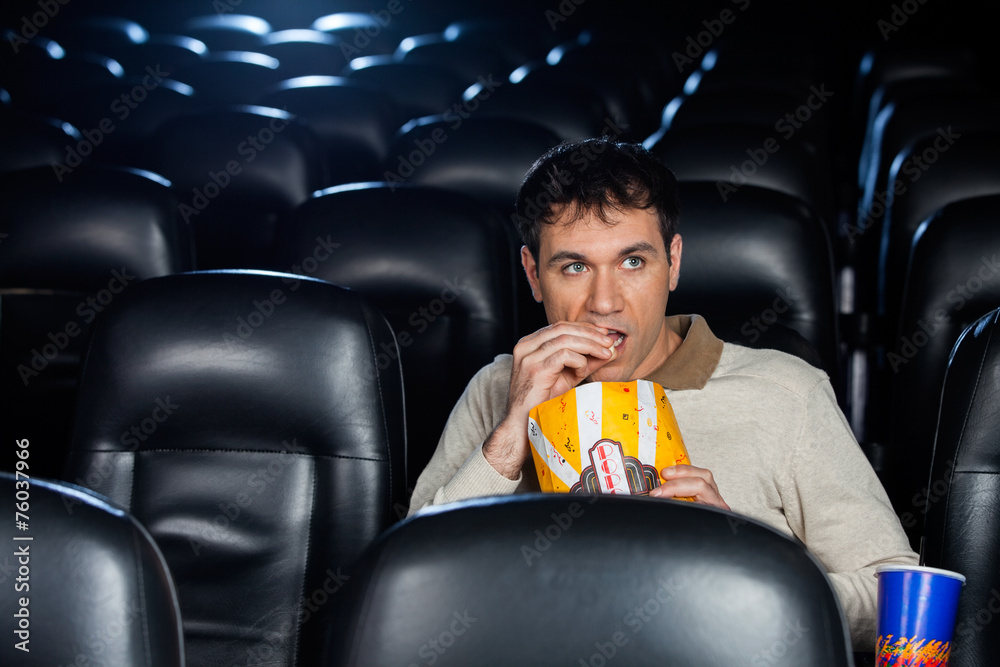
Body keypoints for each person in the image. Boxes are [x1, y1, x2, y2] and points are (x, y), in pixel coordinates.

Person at [407, 138, 917, 650]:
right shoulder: (499, 388)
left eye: (632, 262)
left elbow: (898, 600)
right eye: (574, 267)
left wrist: (745, 559)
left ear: (672, 263)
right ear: (534, 275)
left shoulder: (788, 393)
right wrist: (512, 432)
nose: (604, 303)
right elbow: (410, 595)